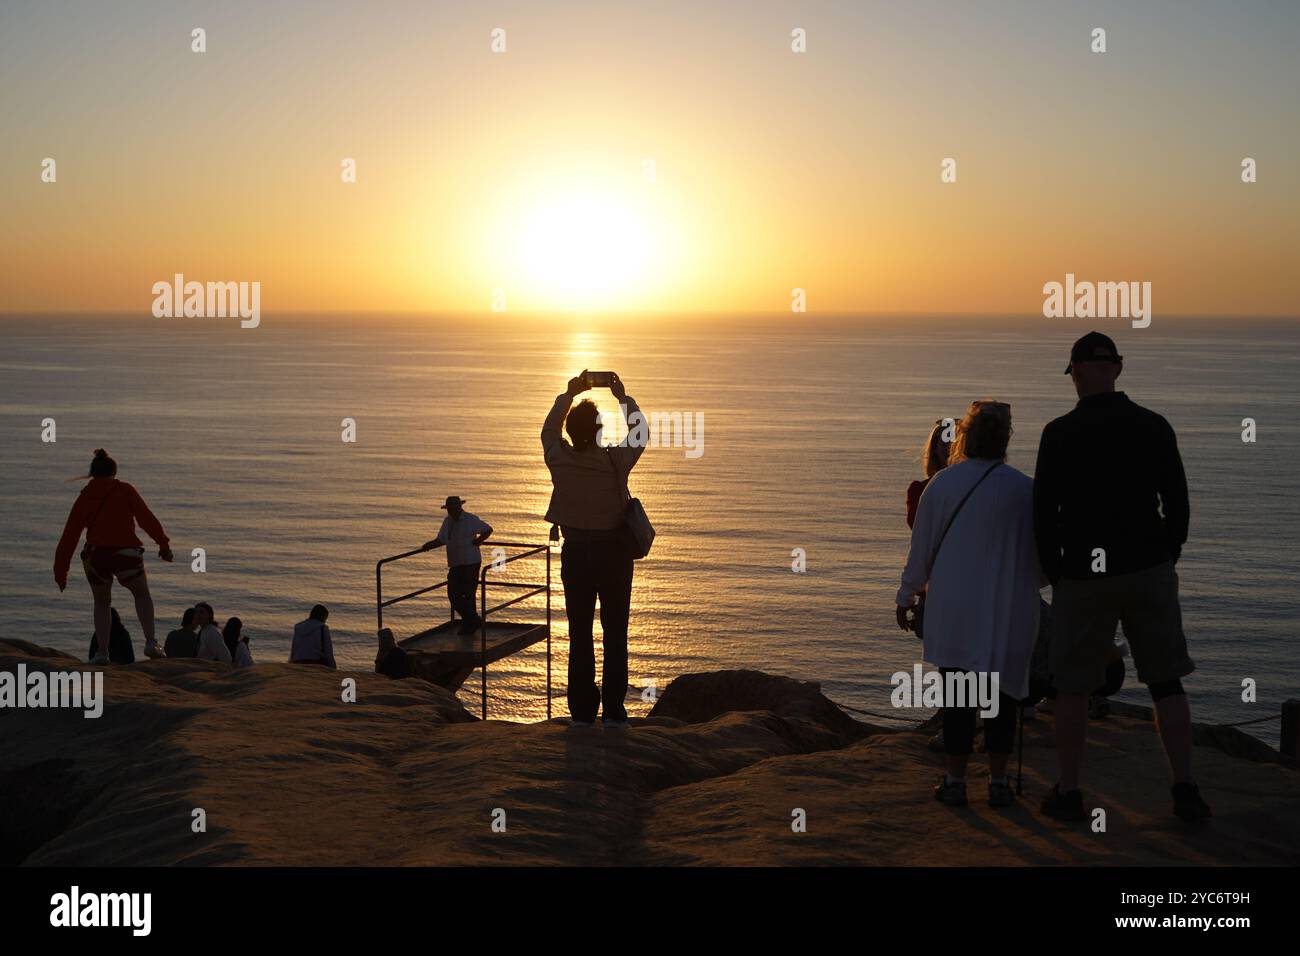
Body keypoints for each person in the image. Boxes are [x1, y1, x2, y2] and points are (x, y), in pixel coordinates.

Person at [1033, 331, 1209, 823]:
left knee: (1070, 685)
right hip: (1148, 567)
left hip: (1085, 575)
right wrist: (1165, 554)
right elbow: (1177, 503)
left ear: (1079, 370)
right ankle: (1186, 788)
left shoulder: (1060, 433)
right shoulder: (1154, 426)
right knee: (1166, 680)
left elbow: (1044, 515)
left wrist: (1058, 573)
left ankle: (1069, 792)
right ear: (1117, 368)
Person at [896, 400, 1042, 808]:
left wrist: (905, 596)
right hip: (1009, 614)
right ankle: (998, 783)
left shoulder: (941, 485)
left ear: (966, 438)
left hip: (955, 613)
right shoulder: (1025, 489)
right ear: (1005, 440)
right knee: (1002, 701)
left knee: (958, 701)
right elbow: (1044, 562)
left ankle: (955, 782)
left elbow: (920, 551)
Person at [541, 370, 646, 727]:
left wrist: (569, 395)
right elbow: (641, 434)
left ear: (571, 431)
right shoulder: (615, 462)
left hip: (576, 555)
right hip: (613, 554)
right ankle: (614, 711)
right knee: (615, 632)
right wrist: (623, 398)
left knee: (579, 633)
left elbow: (548, 431)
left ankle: (583, 712)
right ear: (600, 431)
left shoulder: (559, 458)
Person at [55, 449, 173, 661]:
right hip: (126, 554)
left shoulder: (85, 496)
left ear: (92, 473)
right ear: (114, 471)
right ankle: (150, 643)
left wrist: (60, 571)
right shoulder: (125, 490)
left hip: (96, 557)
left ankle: (102, 652)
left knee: (101, 603)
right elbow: (146, 519)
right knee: (142, 595)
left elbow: (69, 536)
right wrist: (163, 544)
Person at [422, 496, 493, 635]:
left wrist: (478, 541)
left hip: (470, 562)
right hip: (455, 564)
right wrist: (429, 545)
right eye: (449, 509)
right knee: (453, 595)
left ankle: (470, 624)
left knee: (467, 594)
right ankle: (473, 621)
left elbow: (488, 529)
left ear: (459, 508)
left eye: (453, 509)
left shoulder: (470, 519)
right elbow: (442, 539)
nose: (451, 511)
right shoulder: (447, 522)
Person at [907, 419, 952, 529]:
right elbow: (916, 525)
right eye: (946, 444)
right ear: (935, 448)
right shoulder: (919, 490)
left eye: (955, 443)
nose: (951, 449)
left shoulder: (973, 486)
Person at [290, 604, 336, 669]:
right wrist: (333, 667)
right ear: (322, 616)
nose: (325, 621)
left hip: (297, 661)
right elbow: (328, 651)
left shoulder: (298, 627)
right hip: (315, 662)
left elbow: (294, 648)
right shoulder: (322, 628)